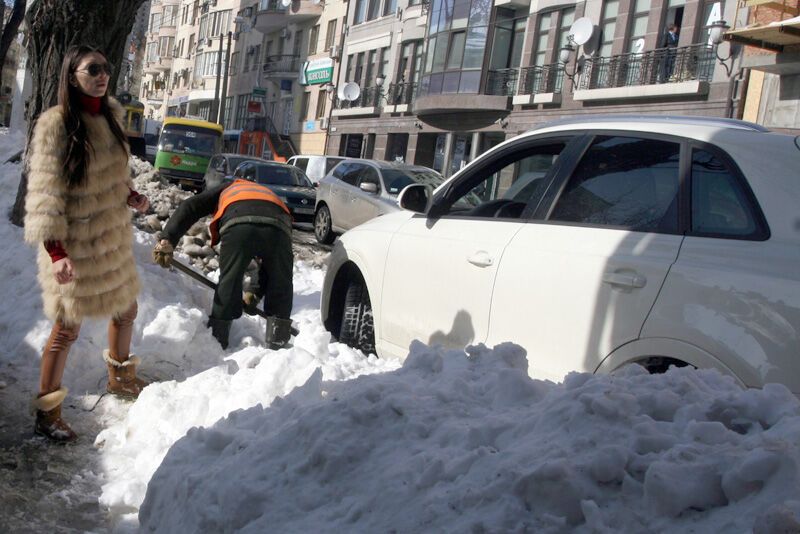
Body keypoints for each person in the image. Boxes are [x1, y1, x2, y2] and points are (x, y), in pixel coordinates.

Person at [24, 45, 150, 443]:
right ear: (71, 74)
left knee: (126, 308)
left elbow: (112, 176)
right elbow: (45, 194)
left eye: (106, 68)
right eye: (92, 68)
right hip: (75, 245)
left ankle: (120, 378)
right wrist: (56, 252)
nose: (102, 75)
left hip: (111, 238)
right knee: (67, 328)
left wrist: (131, 195)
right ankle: (48, 412)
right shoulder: (56, 124)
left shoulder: (111, 116)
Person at [152, 178, 294, 351]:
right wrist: (255, 292)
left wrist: (168, 238)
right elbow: (268, 262)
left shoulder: (228, 188)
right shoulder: (266, 194)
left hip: (239, 225)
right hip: (279, 228)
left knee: (230, 279)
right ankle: (278, 345)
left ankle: (217, 343)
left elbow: (190, 207)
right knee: (281, 282)